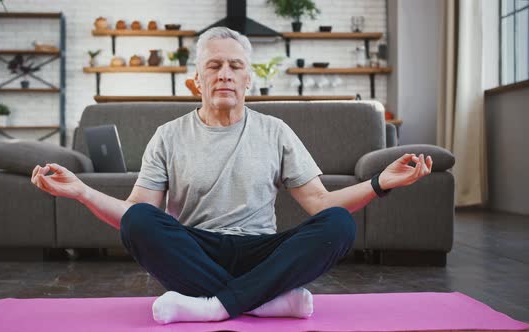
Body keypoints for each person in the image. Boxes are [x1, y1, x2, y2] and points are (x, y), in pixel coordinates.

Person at [31, 27, 433, 325]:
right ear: (197, 80)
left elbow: (320, 204)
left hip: (262, 249)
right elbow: (134, 216)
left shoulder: (275, 131)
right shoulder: (168, 136)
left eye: (235, 66)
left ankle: (215, 305)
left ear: (248, 79)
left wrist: (380, 182)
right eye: (214, 66)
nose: (225, 73)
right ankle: (264, 300)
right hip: (195, 251)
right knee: (139, 221)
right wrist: (82, 191)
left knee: (339, 225)